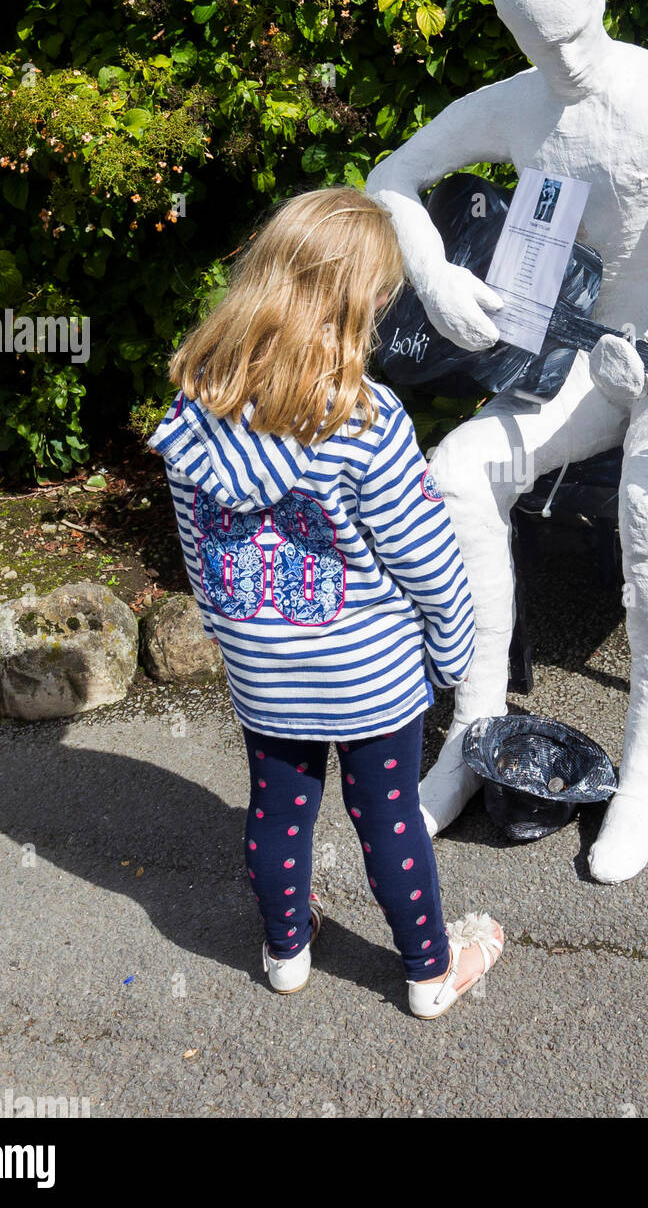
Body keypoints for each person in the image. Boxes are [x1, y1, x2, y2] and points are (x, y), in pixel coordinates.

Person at [366, 0, 648, 885]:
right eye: (545, 43)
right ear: (512, 33)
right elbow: (390, 177)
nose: (569, 59)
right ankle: (476, 724)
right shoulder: (512, 105)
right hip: (579, 356)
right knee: (456, 471)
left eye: (578, 31)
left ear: (601, 1)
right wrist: (436, 275)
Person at [147, 186, 505, 1018]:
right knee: (387, 816)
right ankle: (428, 971)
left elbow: (197, 548)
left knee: (277, 809)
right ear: (362, 302)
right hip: (370, 671)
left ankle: (285, 954)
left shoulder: (192, 410)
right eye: (383, 294)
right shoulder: (365, 419)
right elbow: (426, 558)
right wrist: (455, 653)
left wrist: (233, 639)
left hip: (264, 667)